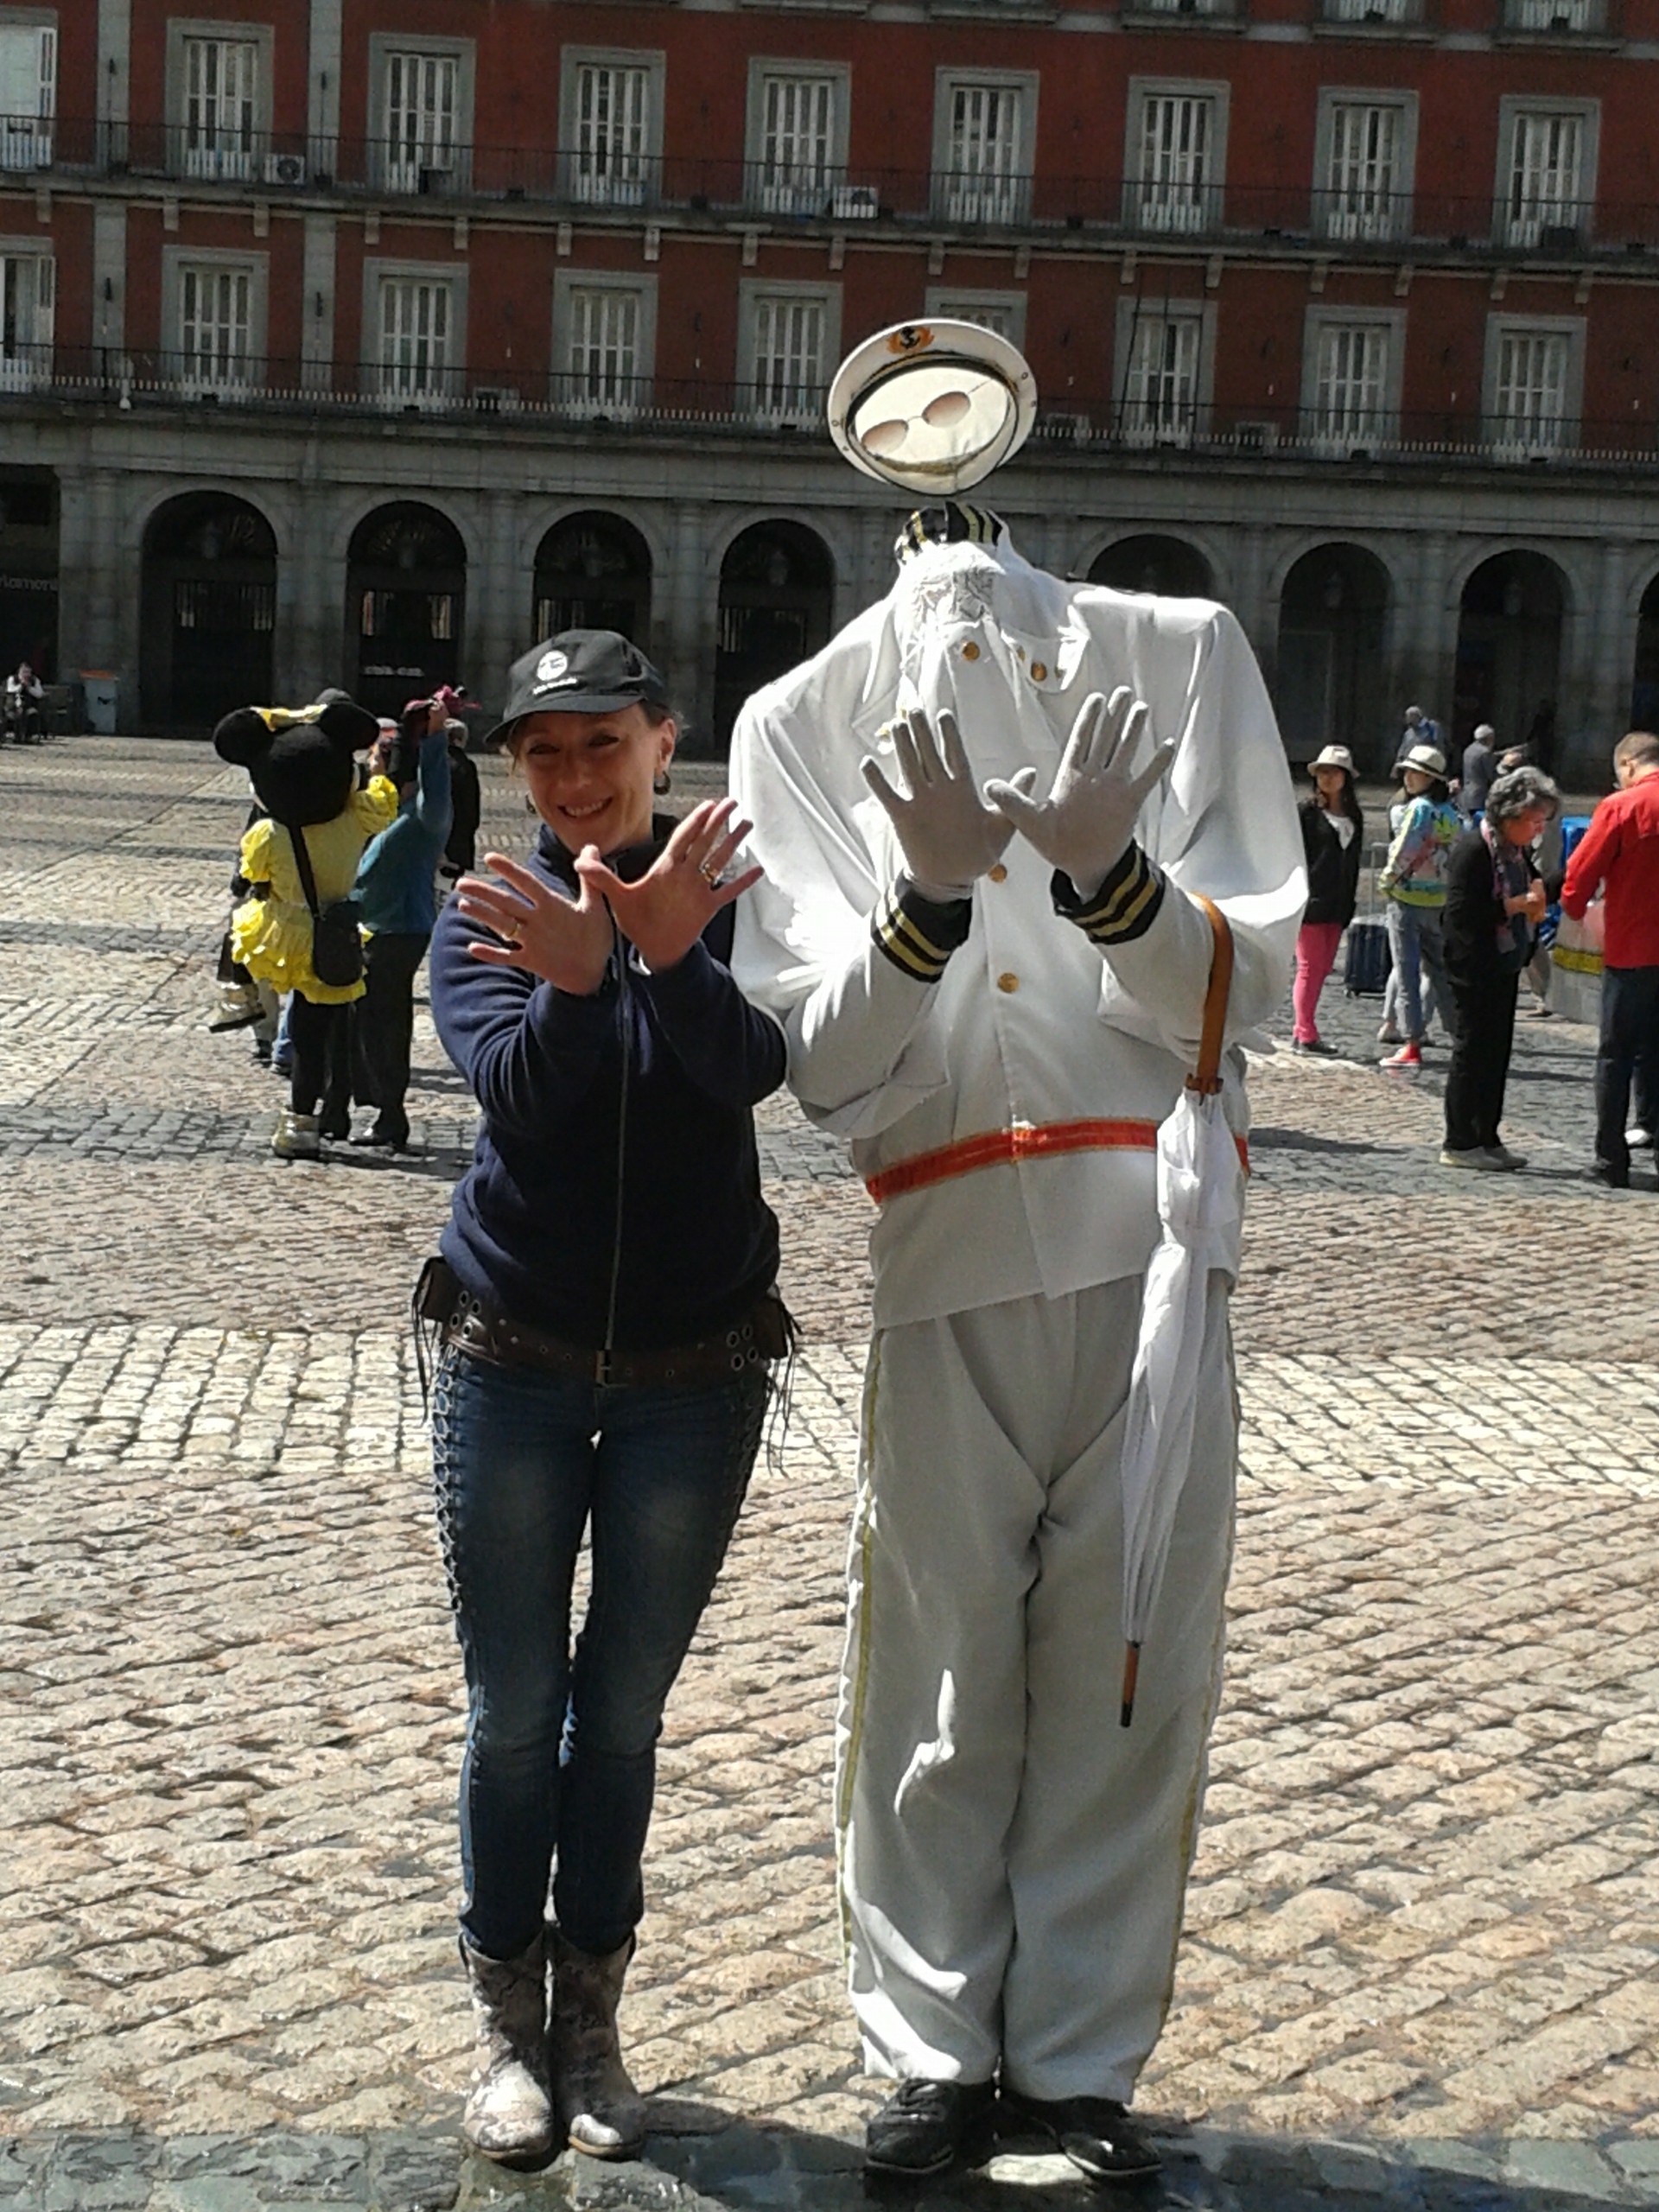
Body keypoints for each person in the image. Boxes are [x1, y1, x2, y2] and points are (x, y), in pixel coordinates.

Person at [731, 497, 1302, 2188]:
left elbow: (1254, 988)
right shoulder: (799, 723)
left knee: (1130, 1670)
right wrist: (923, 905)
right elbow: (826, 1070)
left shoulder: (1177, 656)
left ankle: (1071, 2062)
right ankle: (924, 2048)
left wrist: (1117, 881)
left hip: (1151, 1245)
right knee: (930, 1674)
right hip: (945, 1243)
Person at [421, 629, 789, 2166]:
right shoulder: (488, 912)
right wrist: (579, 986)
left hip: (691, 1380)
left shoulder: (729, 892)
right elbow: (519, 1094)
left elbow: (757, 1068)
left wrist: (664, 952)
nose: (575, 777)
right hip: (513, 1357)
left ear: (662, 739)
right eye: (544, 754)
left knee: (621, 1718)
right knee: (517, 1718)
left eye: (602, 743)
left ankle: (595, 2026)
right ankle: (510, 2023)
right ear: (519, 771)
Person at [214, 696, 395, 1158]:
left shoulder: (267, 834)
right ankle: (304, 1123)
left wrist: (282, 719)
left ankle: (240, 996)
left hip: (281, 934)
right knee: (316, 1042)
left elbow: (251, 879)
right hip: (332, 935)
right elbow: (381, 797)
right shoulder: (355, 820)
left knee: (239, 927)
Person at [1440, 766, 1559, 1172]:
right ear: (1509, 817)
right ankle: (1459, 1140)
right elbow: (1461, 914)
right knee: (1471, 1052)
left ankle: (1487, 1135)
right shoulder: (1474, 850)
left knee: (1497, 1054)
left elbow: (1537, 888)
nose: (1538, 829)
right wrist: (1513, 906)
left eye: (1542, 821)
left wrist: (1543, 895)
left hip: (1505, 962)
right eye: (1534, 820)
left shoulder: (1517, 854)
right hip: (1473, 964)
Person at [349, 697, 454, 1150]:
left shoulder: (423, 819)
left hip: (399, 931)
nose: (371, 766)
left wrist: (433, 737)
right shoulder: (384, 814)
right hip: (375, 928)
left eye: (376, 759)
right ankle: (377, 1105)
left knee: (386, 1022)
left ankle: (391, 1113)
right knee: (371, 1021)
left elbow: (438, 786)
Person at [1561, 728, 1659, 1188]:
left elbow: (1581, 873)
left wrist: (1573, 909)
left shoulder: (1621, 806)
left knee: (1615, 1055)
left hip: (1633, 949)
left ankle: (1610, 1159)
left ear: (1628, 766)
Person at [1376, 741, 1460, 1071]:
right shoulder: (1452, 814)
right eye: (1408, 772)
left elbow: (1404, 850)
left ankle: (1411, 1042)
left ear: (1431, 779)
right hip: (1438, 900)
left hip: (1407, 899)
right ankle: (1459, 1035)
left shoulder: (1419, 809)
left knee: (1407, 970)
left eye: (1416, 773)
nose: (1408, 778)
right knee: (1441, 973)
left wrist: (1387, 881)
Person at [1293, 743, 1363, 1054]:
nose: (1327, 777)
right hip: (1312, 901)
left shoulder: (1354, 815)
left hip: (1338, 903)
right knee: (1309, 966)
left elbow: (1355, 860)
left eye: (1334, 772)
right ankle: (1305, 1031)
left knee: (1322, 968)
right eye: (1322, 772)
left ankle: (1304, 1028)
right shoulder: (1307, 812)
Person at [1459, 724, 1498, 817]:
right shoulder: (1485, 753)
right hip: (1480, 796)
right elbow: (1491, 775)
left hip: (1467, 795)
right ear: (1488, 738)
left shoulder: (1468, 750)